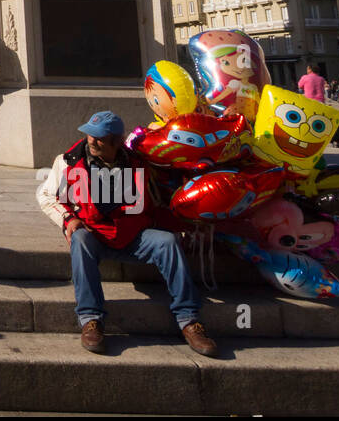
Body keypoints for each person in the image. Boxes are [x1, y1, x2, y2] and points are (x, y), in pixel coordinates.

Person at [37, 110, 217, 358]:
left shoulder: (138, 164)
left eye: (99, 137)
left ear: (116, 142)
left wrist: (190, 226)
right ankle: (90, 319)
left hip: (134, 236)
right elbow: (46, 195)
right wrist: (68, 219)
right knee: (79, 240)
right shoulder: (69, 161)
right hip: (94, 234)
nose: (91, 140)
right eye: (89, 134)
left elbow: (157, 205)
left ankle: (189, 320)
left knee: (167, 242)